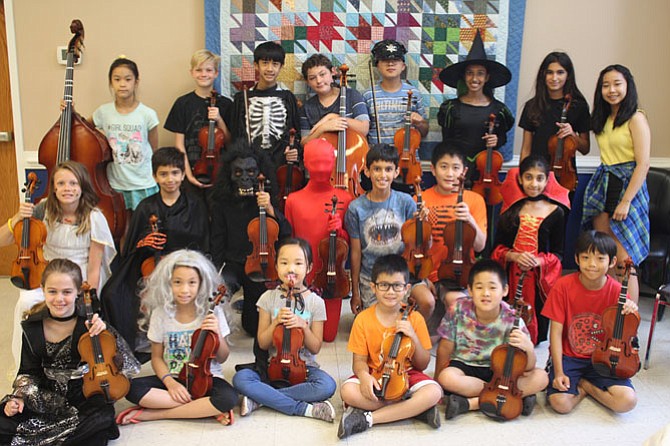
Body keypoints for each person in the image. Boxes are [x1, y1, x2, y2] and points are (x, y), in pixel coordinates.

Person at [0, 259, 138, 445]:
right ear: (43, 289)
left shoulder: (89, 324)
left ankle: (42, 439)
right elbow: (28, 371)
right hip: (46, 397)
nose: (59, 299)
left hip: (81, 395)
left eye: (67, 292)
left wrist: (106, 331)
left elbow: (127, 365)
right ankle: (65, 438)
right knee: (4, 417)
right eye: (52, 291)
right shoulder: (32, 327)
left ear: (78, 292)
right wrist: (19, 398)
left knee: (103, 416)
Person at [0, 161, 116, 367]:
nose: (67, 189)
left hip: (79, 279)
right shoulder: (43, 209)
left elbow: (94, 266)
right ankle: (24, 366)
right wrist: (19, 216)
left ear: (82, 186)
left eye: (73, 183)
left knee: (73, 311)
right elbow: (3, 240)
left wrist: (89, 297)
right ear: (53, 187)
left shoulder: (94, 217)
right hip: (46, 276)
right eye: (61, 183)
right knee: (25, 303)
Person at [100, 147, 209, 355]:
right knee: (113, 292)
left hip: (187, 268)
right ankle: (130, 344)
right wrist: (143, 243)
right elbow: (132, 246)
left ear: (183, 174)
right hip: (150, 267)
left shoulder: (195, 205)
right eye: (163, 174)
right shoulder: (145, 206)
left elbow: (202, 242)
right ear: (154, 176)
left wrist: (177, 259)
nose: (170, 179)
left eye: (175, 173)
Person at [117, 250, 238, 425]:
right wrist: (170, 384)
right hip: (173, 376)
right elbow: (157, 358)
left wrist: (217, 333)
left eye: (192, 283)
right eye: (177, 282)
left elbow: (222, 357)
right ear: (168, 283)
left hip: (208, 379)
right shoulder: (161, 314)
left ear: (201, 284)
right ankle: (201, 408)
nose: (184, 290)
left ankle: (153, 414)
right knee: (131, 388)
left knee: (228, 398)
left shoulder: (213, 312)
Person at [232, 238, 337, 423]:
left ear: (309, 267)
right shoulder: (267, 298)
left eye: (298, 263)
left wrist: (303, 325)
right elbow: (263, 343)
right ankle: (302, 408)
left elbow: (315, 348)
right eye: (284, 263)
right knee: (240, 379)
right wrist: (275, 323)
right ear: (276, 266)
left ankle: (262, 399)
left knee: (327, 386)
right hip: (270, 367)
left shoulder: (316, 302)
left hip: (304, 369)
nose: (291, 269)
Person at [338, 254, 442, 439]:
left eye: (397, 286)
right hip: (374, 374)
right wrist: (363, 376)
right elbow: (359, 362)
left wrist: (413, 337)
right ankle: (413, 410)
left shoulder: (414, 318)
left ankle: (369, 418)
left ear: (407, 289)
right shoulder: (363, 319)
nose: (390, 291)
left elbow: (423, 363)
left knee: (434, 391)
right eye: (384, 285)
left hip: (406, 374)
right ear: (373, 287)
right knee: (347, 391)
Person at [435, 259, 548, 420]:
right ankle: (514, 397)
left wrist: (528, 347)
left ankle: (471, 403)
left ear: (505, 290)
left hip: (503, 372)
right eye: (479, 287)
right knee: (447, 377)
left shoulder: (513, 318)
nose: (486, 293)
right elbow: (445, 347)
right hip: (466, 365)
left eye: (492, 287)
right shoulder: (458, 308)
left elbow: (528, 367)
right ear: (470, 290)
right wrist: (438, 384)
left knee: (541, 377)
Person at [542, 230, 638, 414]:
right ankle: (585, 385)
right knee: (560, 404)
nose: (592, 264)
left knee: (627, 402)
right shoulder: (562, 286)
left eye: (600, 258)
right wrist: (560, 372)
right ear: (577, 259)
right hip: (569, 357)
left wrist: (630, 311)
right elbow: (554, 333)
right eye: (585, 257)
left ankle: (585, 385)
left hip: (605, 358)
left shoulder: (618, 291)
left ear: (612, 262)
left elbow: (628, 335)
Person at [582, 65, 650, 303]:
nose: (611, 90)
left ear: (627, 86)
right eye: (606, 85)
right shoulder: (602, 118)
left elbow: (643, 164)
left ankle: (629, 323)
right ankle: (612, 313)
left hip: (628, 187)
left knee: (624, 261)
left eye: (617, 84)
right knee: (606, 256)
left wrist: (626, 201)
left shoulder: (636, 118)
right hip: (604, 185)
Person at [210, 140, 292, 336]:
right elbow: (217, 239)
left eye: (250, 173)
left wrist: (270, 209)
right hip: (233, 264)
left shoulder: (266, 198)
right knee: (217, 295)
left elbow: (285, 232)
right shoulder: (222, 201)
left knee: (253, 326)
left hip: (259, 265)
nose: (245, 179)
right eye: (238, 173)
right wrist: (214, 273)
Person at [491, 155, 570, 345]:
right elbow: (497, 247)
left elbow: (559, 253)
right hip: (512, 273)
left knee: (536, 322)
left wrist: (539, 261)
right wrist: (514, 256)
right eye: (528, 177)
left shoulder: (557, 212)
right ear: (520, 179)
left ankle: (531, 338)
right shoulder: (510, 208)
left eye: (539, 178)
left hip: (538, 277)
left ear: (547, 180)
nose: (534, 184)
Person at [284, 139, 353, 342]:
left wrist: (340, 231)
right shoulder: (293, 200)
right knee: (302, 334)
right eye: (315, 163)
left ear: (333, 162)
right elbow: (290, 244)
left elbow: (349, 244)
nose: (322, 169)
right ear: (305, 163)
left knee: (329, 336)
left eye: (326, 162)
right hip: (302, 278)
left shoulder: (345, 198)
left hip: (333, 277)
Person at [409, 143, 487, 324]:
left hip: (460, 275)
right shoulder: (419, 200)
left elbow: (480, 245)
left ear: (464, 171)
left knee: (456, 302)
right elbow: (412, 248)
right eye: (444, 167)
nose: (450, 174)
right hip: (429, 274)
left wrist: (470, 220)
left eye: (455, 168)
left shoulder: (475, 200)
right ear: (433, 170)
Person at [344, 144, 417, 314]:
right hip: (371, 276)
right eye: (377, 169)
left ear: (396, 172)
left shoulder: (406, 202)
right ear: (367, 171)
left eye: (388, 169)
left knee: (424, 302)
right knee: (376, 323)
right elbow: (355, 253)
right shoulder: (356, 208)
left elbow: (416, 246)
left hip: (401, 274)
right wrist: (355, 292)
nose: (383, 175)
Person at [437, 31, 514, 180]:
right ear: (464, 76)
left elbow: (503, 137)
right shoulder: (450, 108)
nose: (474, 78)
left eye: (480, 73)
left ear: (487, 77)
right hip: (456, 171)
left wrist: (497, 140)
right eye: (469, 73)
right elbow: (446, 142)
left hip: (485, 172)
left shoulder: (499, 110)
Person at [92, 57, 160, 211]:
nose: (122, 84)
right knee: (120, 229)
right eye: (117, 79)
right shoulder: (103, 112)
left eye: (128, 79)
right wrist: (70, 110)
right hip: (115, 183)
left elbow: (154, 148)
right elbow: (83, 127)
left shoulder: (147, 114)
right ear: (111, 83)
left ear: (136, 82)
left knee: (145, 229)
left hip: (143, 182)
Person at [164, 49, 233, 189]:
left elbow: (230, 142)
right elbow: (179, 145)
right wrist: (188, 175)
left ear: (216, 73)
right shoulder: (182, 104)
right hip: (191, 169)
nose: (203, 74)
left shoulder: (227, 104)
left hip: (220, 173)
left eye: (209, 70)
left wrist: (219, 119)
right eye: (199, 70)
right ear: (192, 73)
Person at [518, 52, 590, 185]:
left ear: (568, 75)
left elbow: (585, 148)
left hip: (565, 175)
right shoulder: (532, 106)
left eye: (560, 72)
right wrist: (522, 175)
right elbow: (526, 149)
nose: (554, 77)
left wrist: (572, 134)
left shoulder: (578, 106)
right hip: (536, 175)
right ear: (543, 75)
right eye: (549, 72)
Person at [230, 41, 301, 172]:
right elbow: (234, 136)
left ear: (281, 67)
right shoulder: (242, 98)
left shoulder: (288, 97)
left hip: (280, 167)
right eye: (265, 63)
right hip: (249, 167)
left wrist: (294, 150)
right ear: (256, 65)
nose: (270, 69)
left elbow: (296, 133)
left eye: (275, 64)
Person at [363, 39, 428, 146]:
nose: (391, 63)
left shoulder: (414, 93)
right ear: (377, 66)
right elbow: (363, 130)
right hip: (378, 158)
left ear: (403, 66)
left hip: (407, 156)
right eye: (384, 60)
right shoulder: (368, 95)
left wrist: (420, 122)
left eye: (396, 60)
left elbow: (424, 132)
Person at [299, 53, 369, 145]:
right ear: (307, 82)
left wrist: (333, 117)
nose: (319, 81)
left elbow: (364, 129)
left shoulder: (352, 95)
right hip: (321, 157)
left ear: (332, 72)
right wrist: (322, 128)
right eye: (312, 78)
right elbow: (304, 143)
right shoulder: (307, 107)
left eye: (322, 74)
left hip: (352, 153)